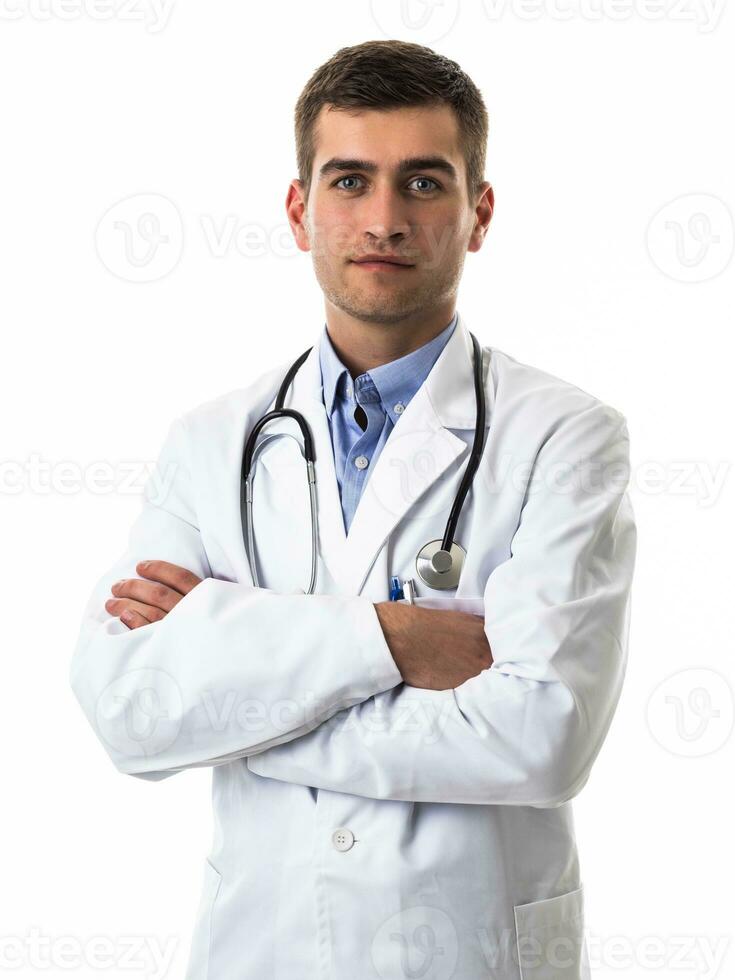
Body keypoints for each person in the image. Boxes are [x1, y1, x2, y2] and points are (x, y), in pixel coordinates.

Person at [70, 39, 636, 980]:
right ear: (299, 211)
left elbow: (542, 740)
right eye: (348, 181)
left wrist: (248, 708)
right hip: (263, 948)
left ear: (477, 213)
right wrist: (393, 639)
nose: (382, 218)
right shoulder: (210, 441)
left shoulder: (564, 436)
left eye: (422, 183)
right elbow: (133, 709)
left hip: (468, 951)